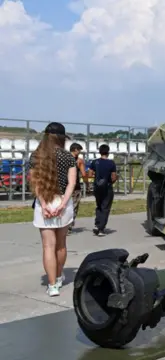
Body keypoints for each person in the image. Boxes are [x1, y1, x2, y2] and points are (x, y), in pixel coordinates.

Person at [29, 122, 77, 297]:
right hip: (62, 201)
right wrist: (64, 203)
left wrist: (42, 204)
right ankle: (58, 276)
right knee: (61, 244)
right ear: (63, 138)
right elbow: (72, 183)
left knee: (48, 246)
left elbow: (35, 184)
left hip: (44, 202)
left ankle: (52, 286)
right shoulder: (68, 157)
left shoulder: (36, 157)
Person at [88, 144, 118, 236]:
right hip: (107, 187)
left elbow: (90, 174)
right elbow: (113, 177)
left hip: (97, 187)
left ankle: (97, 224)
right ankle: (101, 228)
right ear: (108, 152)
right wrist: (115, 179)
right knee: (106, 207)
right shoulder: (111, 163)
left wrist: (97, 178)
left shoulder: (95, 162)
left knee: (99, 206)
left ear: (100, 152)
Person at [69, 142, 88, 232]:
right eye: (79, 150)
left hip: (64, 186)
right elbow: (84, 174)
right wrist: (86, 183)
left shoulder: (63, 159)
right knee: (74, 206)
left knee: (64, 206)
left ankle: (63, 225)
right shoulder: (79, 161)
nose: (79, 152)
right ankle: (69, 225)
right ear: (75, 150)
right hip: (75, 186)